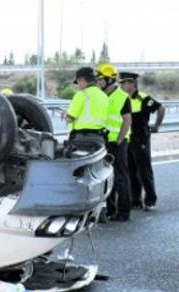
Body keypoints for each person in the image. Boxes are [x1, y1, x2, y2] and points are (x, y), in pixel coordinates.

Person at [120, 71, 165, 211]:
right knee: (131, 170)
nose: (122, 85)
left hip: (140, 138)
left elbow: (161, 108)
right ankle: (135, 200)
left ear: (133, 84)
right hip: (127, 138)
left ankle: (151, 200)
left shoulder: (143, 98)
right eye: (121, 83)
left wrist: (156, 125)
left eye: (125, 83)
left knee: (144, 170)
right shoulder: (122, 98)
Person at [96, 63, 132, 222]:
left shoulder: (122, 97)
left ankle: (124, 213)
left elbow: (127, 121)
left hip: (117, 143)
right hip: (102, 142)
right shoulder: (101, 96)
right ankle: (111, 211)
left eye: (100, 79)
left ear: (109, 79)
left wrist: (118, 140)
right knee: (106, 177)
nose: (98, 82)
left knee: (120, 178)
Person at [64, 67, 109, 149]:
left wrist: (65, 115)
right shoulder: (104, 96)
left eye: (78, 82)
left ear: (81, 79)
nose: (78, 86)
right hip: (100, 139)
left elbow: (69, 119)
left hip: (83, 139)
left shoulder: (82, 94)